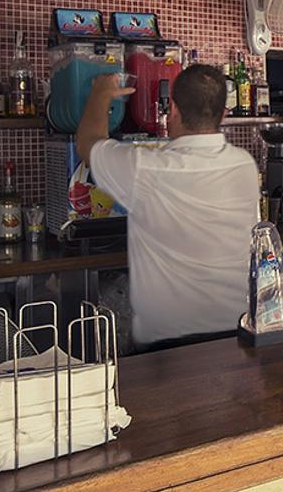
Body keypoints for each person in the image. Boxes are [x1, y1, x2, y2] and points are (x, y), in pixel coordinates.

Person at [76, 65, 259, 351]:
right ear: (223, 114)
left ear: (171, 109)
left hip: (167, 347)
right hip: (236, 337)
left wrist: (101, 93)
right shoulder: (245, 165)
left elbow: (88, 144)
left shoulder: (146, 168)